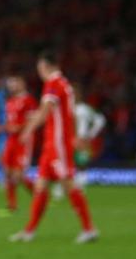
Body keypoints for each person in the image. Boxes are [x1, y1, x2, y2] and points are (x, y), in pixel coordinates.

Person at [10, 50, 98, 244]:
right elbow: (69, 114)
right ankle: (29, 231)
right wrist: (74, 136)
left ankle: (89, 229)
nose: (39, 73)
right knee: (40, 186)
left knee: (68, 185)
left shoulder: (53, 83)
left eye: (40, 68)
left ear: (46, 67)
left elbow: (45, 110)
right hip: (54, 144)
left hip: (58, 145)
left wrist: (28, 130)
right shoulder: (64, 85)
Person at [0, 74, 36, 215]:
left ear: (22, 84)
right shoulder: (9, 102)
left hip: (24, 140)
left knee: (18, 175)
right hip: (11, 140)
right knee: (7, 172)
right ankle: (12, 206)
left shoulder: (29, 100)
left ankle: (40, 197)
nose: (12, 86)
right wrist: (1, 128)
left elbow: (33, 121)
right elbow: (9, 124)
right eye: (10, 83)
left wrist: (20, 128)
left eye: (15, 83)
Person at [74, 85, 106, 188]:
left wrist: (90, 135)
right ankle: (64, 185)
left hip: (82, 138)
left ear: (79, 95)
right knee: (65, 163)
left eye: (75, 93)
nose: (73, 95)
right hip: (69, 138)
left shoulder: (85, 109)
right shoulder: (66, 108)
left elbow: (100, 120)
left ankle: (81, 185)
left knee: (81, 163)